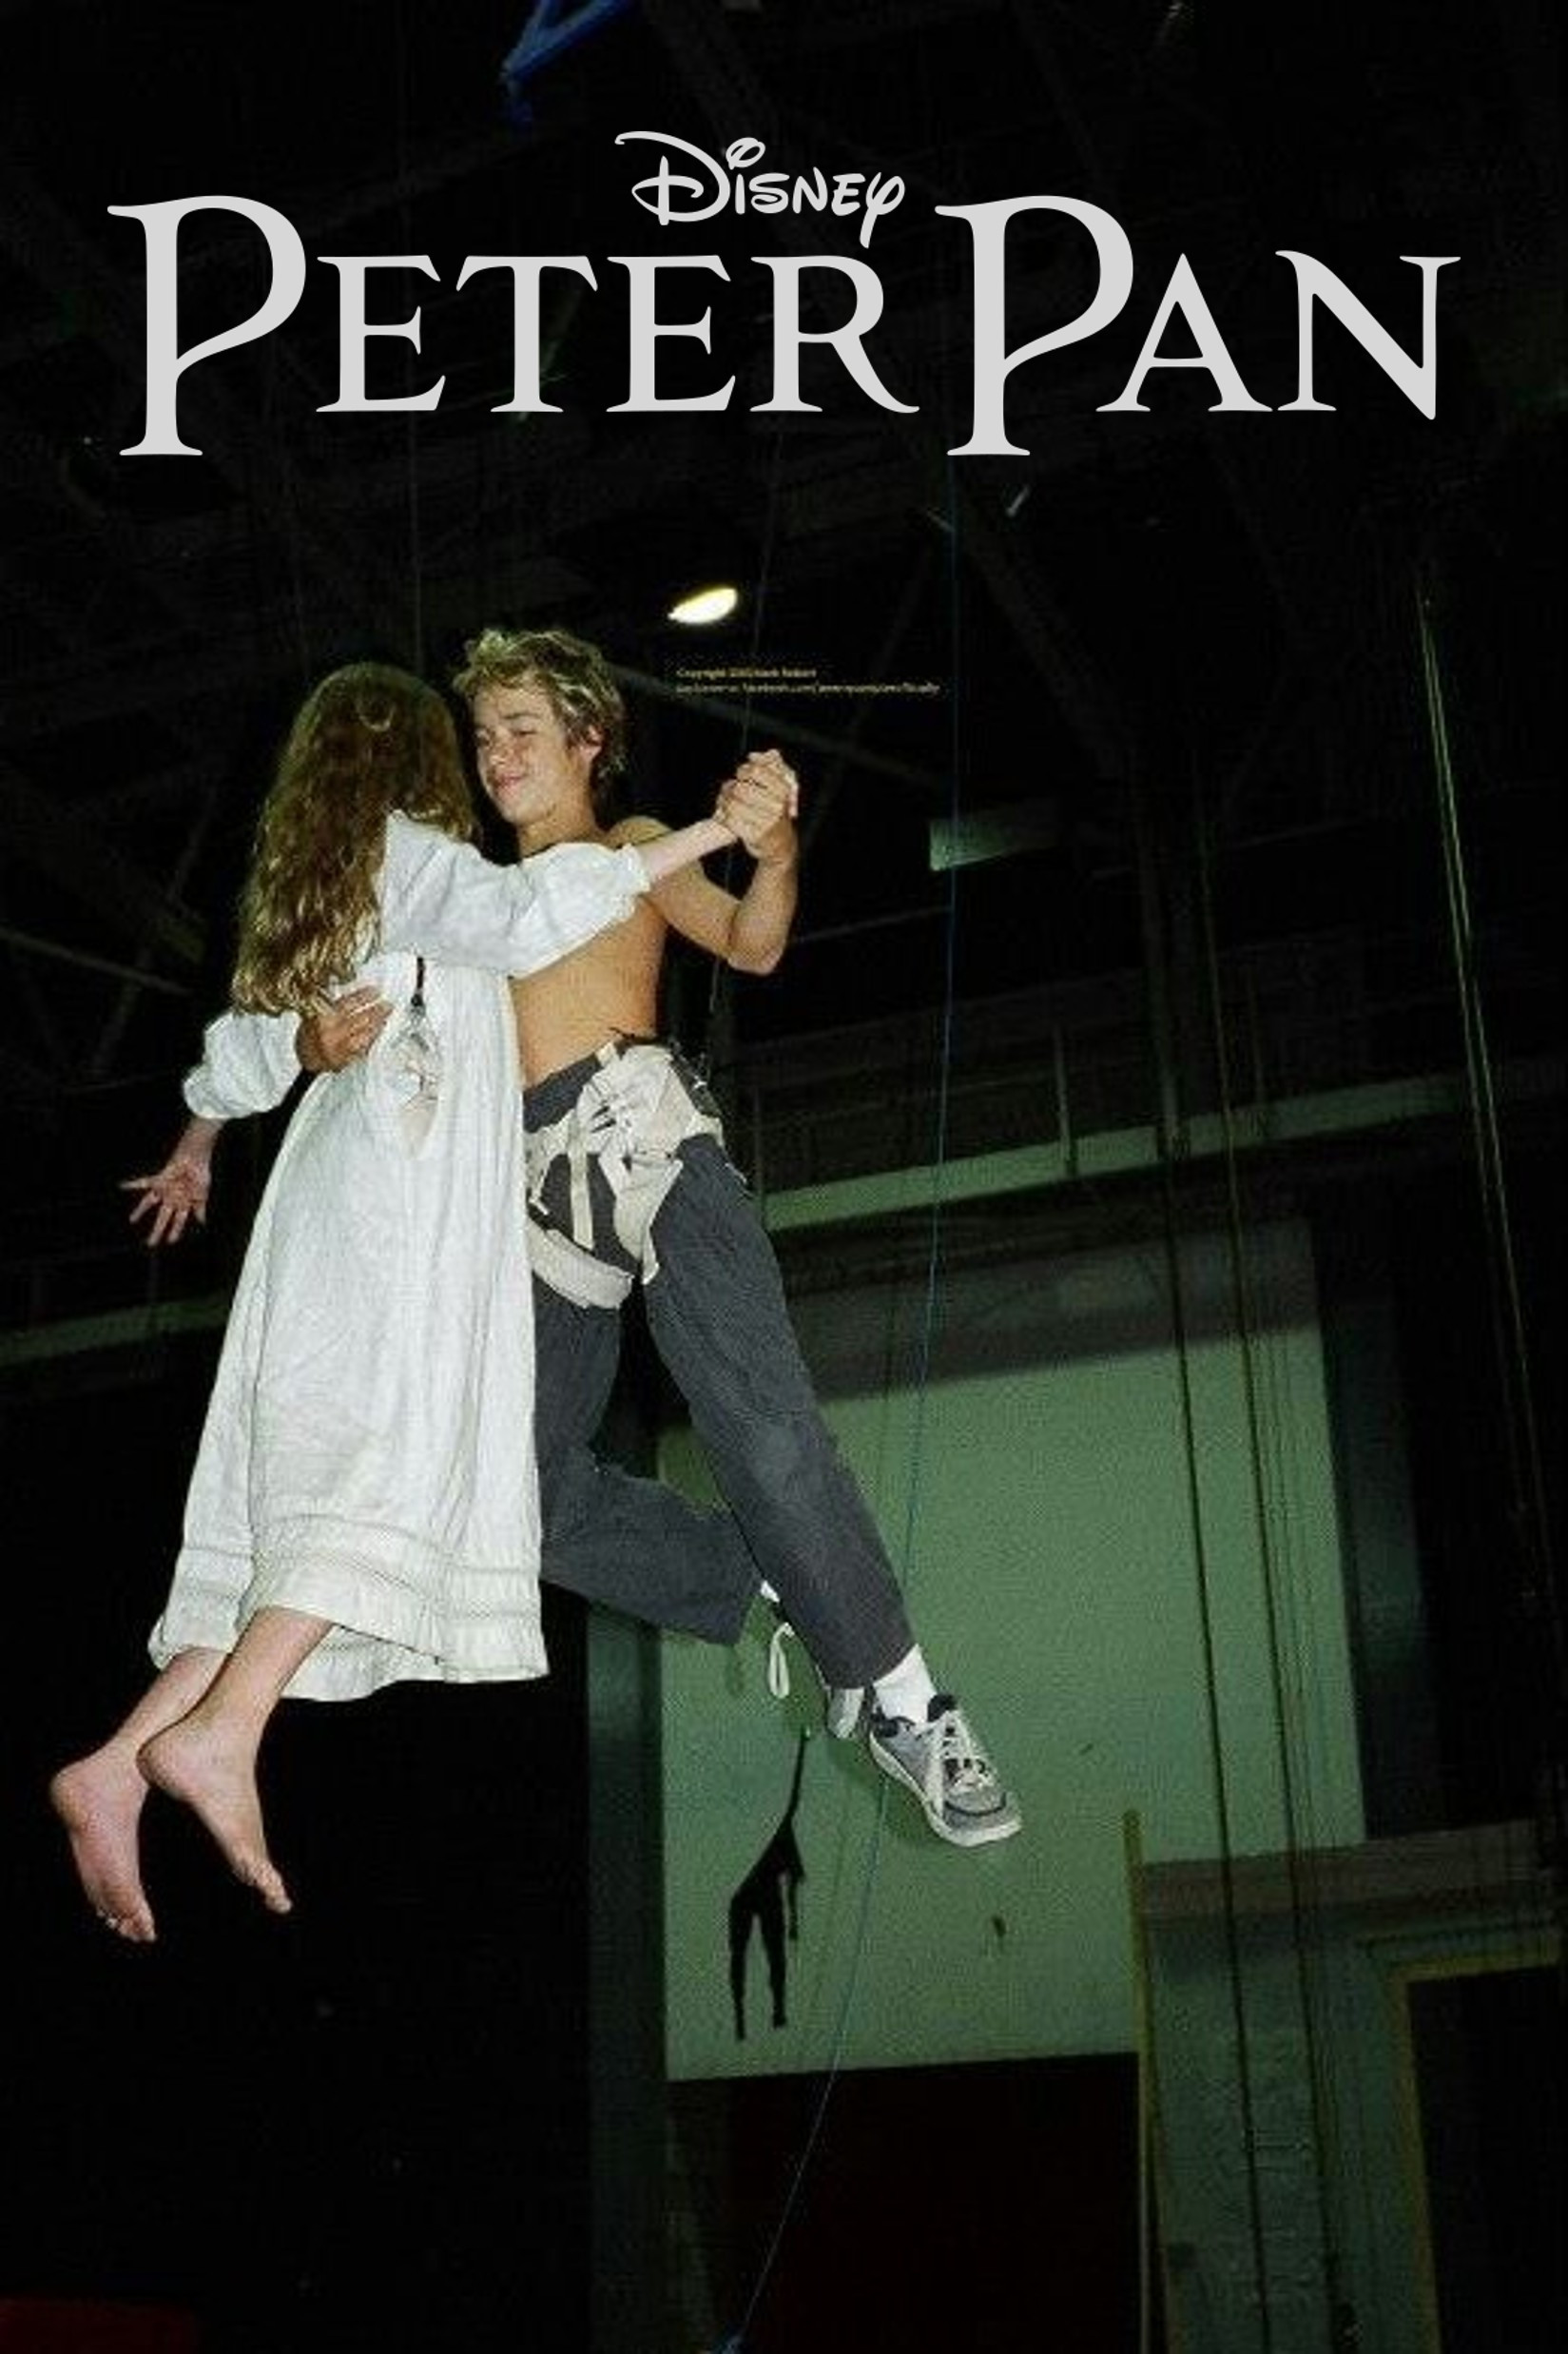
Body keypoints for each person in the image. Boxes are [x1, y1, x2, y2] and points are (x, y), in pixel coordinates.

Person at [48, 661, 737, 1943]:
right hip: (393, 1218)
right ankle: (226, 1730)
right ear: (421, 763)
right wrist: (701, 835)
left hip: (327, 1210)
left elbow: (243, 1052)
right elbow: (530, 914)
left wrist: (196, 1148)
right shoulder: (415, 855)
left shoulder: (325, 885)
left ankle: (117, 1766)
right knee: (389, 1469)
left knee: (302, 1515)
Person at [311, 627, 1021, 1849]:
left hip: (648, 1148)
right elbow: (357, 1032)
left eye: (522, 730)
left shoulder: (630, 850)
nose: (496, 756)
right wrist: (313, 1044)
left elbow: (754, 943)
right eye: (482, 736)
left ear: (589, 740)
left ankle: (906, 1703)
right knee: (514, 1499)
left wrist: (775, 849)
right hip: (532, 1206)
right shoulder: (463, 897)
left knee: (764, 1431)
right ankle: (760, 1576)